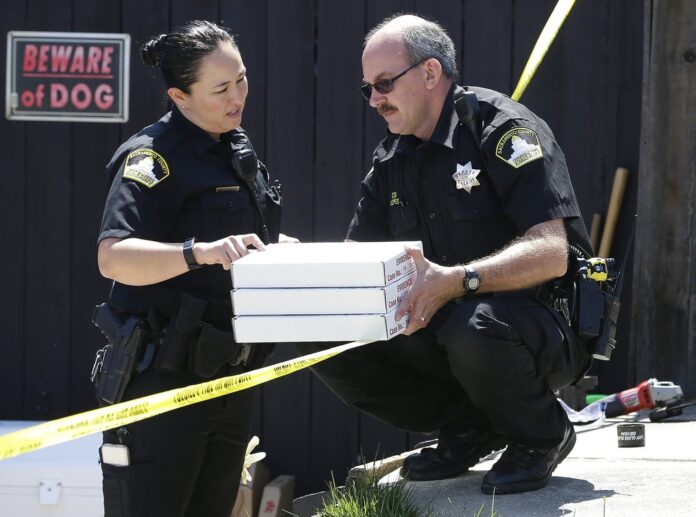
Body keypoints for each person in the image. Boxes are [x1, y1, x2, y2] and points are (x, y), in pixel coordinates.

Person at [297, 14, 593, 495]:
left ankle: (542, 434)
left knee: (471, 324)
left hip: (541, 327)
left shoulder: (503, 131)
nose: (374, 99)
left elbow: (551, 253)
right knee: (324, 333)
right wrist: (296, 263)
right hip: (452, 330)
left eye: (385, 83)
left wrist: (458, 280)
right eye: (367, 88)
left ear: (430, 73)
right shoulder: (392, 158)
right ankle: (473, 427)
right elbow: (357, 262)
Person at [95, 20, 296, 516]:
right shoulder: (153, 157)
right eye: (221, 88)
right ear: (180, 97)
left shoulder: (235, 148)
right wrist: (196, 251)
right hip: (163, 384)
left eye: (242, 80)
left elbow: (238, 247)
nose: (237, 97)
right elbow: (112, 257)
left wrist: (276, 252)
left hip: (228, 378)